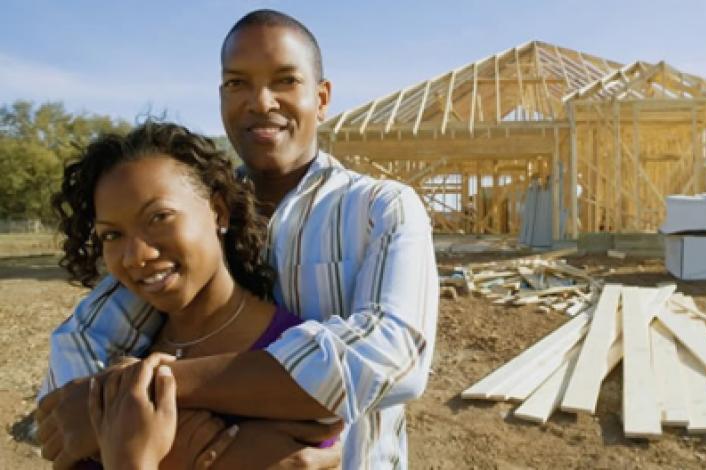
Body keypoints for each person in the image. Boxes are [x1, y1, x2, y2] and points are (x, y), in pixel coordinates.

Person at [36, 8, 438, 469]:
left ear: (322, 98)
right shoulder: (192, 212)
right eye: (237, 83)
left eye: (285, 80)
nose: (261, 101)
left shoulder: (378, 209)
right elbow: (85, 344)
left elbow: (393, 357)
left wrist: (147, 391)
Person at [45, 120, 340, 467]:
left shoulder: (299, 369)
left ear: (218, 211)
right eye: (112, 235)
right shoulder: (111, 360)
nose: (135, 255)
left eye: (159, 217)